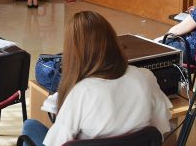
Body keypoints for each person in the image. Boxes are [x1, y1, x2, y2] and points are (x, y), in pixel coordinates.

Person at [21, 11, 171, 146]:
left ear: (74, 52)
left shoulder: (81, 92)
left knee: (30, 126)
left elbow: (57, 142)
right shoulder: (145, 76)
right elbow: (162, 130)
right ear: (113, 41)